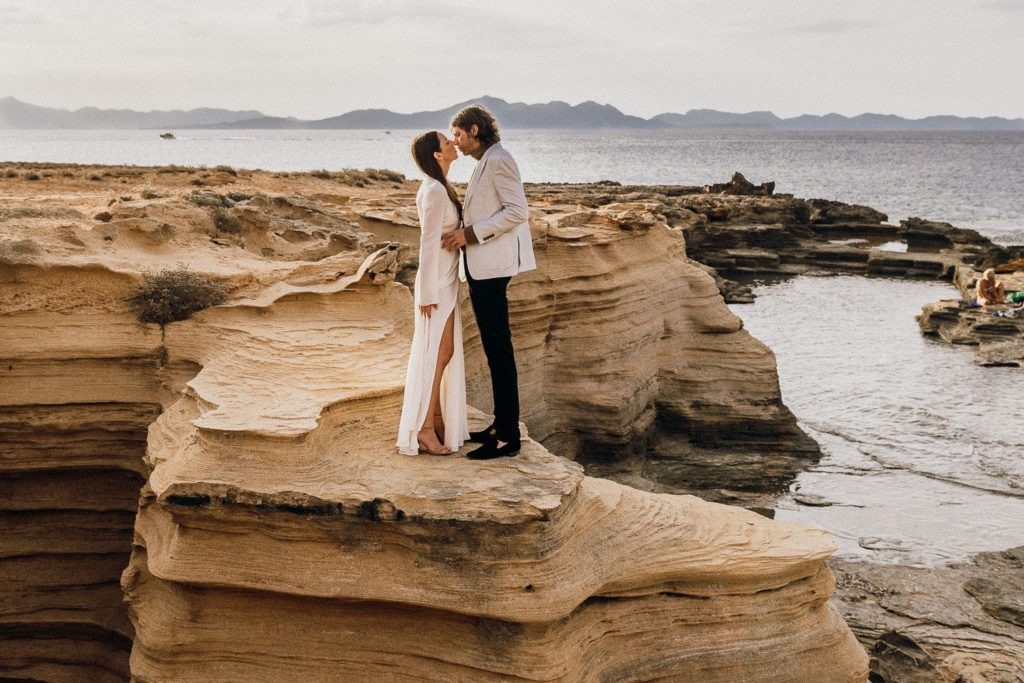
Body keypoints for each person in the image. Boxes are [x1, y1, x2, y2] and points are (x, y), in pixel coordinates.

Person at [440, 105, 536, 460]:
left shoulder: (500, 159)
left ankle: (508, 436)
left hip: (493, 267)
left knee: (499, 351)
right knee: (496, 350)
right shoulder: (487, 160)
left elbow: (517, 211)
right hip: (484, 267)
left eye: (460, 135)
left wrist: (471, 234)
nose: (456, 142)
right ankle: (500, 425)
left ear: (475, 130)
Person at [396, 131, 469, 456]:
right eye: (447, 142)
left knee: (445, 352)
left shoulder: (439, 186)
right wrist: (425, 293)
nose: (453, 144)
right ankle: (425, 429)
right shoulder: (435, 190)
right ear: (437, 155)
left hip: (446, 279)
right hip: (436, 285)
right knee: (435, 354)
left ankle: (435, 418)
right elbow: (427, 242)